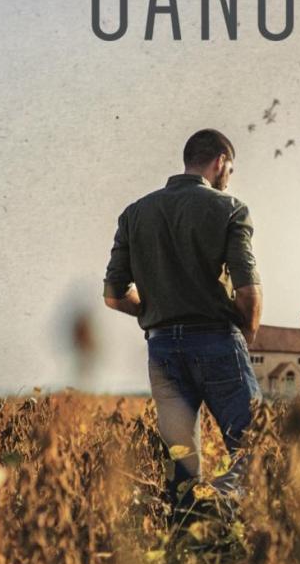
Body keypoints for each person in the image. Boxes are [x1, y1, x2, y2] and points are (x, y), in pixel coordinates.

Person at [102, 129, 263, 508]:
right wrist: (246, 337)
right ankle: (217, 507)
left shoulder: (135, 213)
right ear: (220, 162)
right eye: (230, 169)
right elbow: (249, 293)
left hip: (161, 349)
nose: (228, 178)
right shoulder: (230, 208)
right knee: (258, 446)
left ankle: (188, 530)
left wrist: (155, 309)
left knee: (181, 465)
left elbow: (113, 295)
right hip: (216, 339)